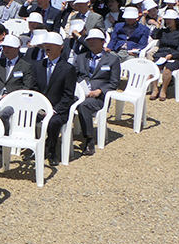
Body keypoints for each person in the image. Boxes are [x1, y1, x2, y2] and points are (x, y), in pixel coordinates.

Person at [30, 32, 77, 164]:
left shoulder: (68, 69)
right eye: (45, 44)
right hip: (40, 107)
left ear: (60, 47)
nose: (47, 46)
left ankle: (50, 150)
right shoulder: (38, 65)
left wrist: (54, 110)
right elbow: (33, 89)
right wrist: (38, 107)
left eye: (51, 44)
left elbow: (68, 95)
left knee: (52, 122)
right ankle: (33, 147)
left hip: (58, 109)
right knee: (28, 118)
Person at [72, 29, 121, 156]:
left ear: (102, 42)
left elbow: (114, 82)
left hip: (99, 97)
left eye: (94, 39)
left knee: (84, 106)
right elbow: (74, 74)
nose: (91, 42)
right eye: (89, 40)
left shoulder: (112, 60)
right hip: (80, 92)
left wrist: (99, 91)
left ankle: (89, 139)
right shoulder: (82, 57)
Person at [151, 10, 179, 100]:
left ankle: (163, 90)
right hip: (161, 53)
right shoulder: (163, 31)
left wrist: (172, 55)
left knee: (167, 70)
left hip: (173, 55)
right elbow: (154, 36)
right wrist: (158, 25)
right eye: (167, 19)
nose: (168, 21)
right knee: (154, 67)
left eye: (170, 19)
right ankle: (155, 89)